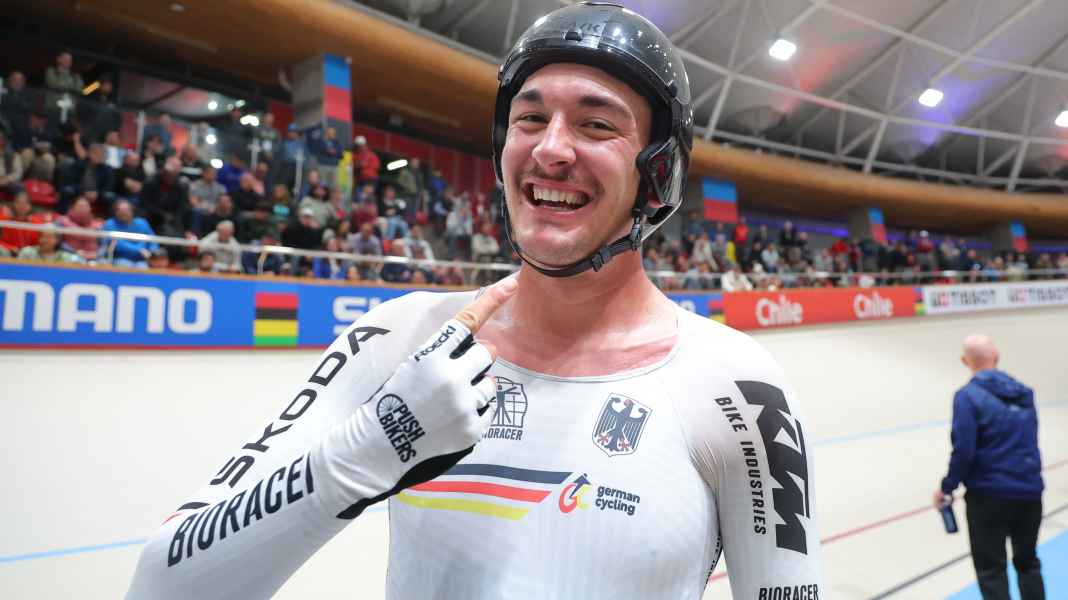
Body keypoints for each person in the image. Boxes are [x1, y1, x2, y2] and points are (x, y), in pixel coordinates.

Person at [127, 5, 822, 599]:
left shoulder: (736, 390)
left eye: (596, 125)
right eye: (530, 118)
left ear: (658, 173)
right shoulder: (398, 339)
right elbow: (162, 583)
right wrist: (370, 450)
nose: (551, 149)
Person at [936, 335, 1045, 600]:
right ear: (996, 358)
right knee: (1028, 562)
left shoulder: (967, 397)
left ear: (965, 361)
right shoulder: (1024, 393)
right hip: (1029, 492)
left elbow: (964, 450)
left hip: (988, 496)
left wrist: (947, 487)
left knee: (991, 570)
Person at [17, 226, 82, 263]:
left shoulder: (66, 257)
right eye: (42, 236)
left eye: (49, 237)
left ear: (57, 240)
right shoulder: (27, 252)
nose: (45, 240)